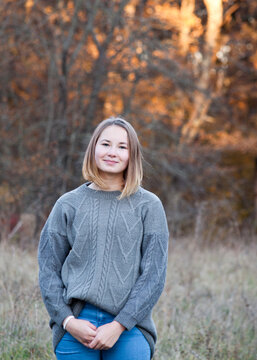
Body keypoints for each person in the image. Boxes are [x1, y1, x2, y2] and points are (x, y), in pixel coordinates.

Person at [38, 116, 169, 360]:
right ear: (93, 148)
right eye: (105, 144)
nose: (112, 152)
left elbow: (154, 274)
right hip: (76, 322)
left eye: (122, 147)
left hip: (130, 325)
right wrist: (67, 321)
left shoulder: (149, 206)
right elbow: (48, 270)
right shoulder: (67, 204)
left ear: (132, 155)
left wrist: (119, 325)